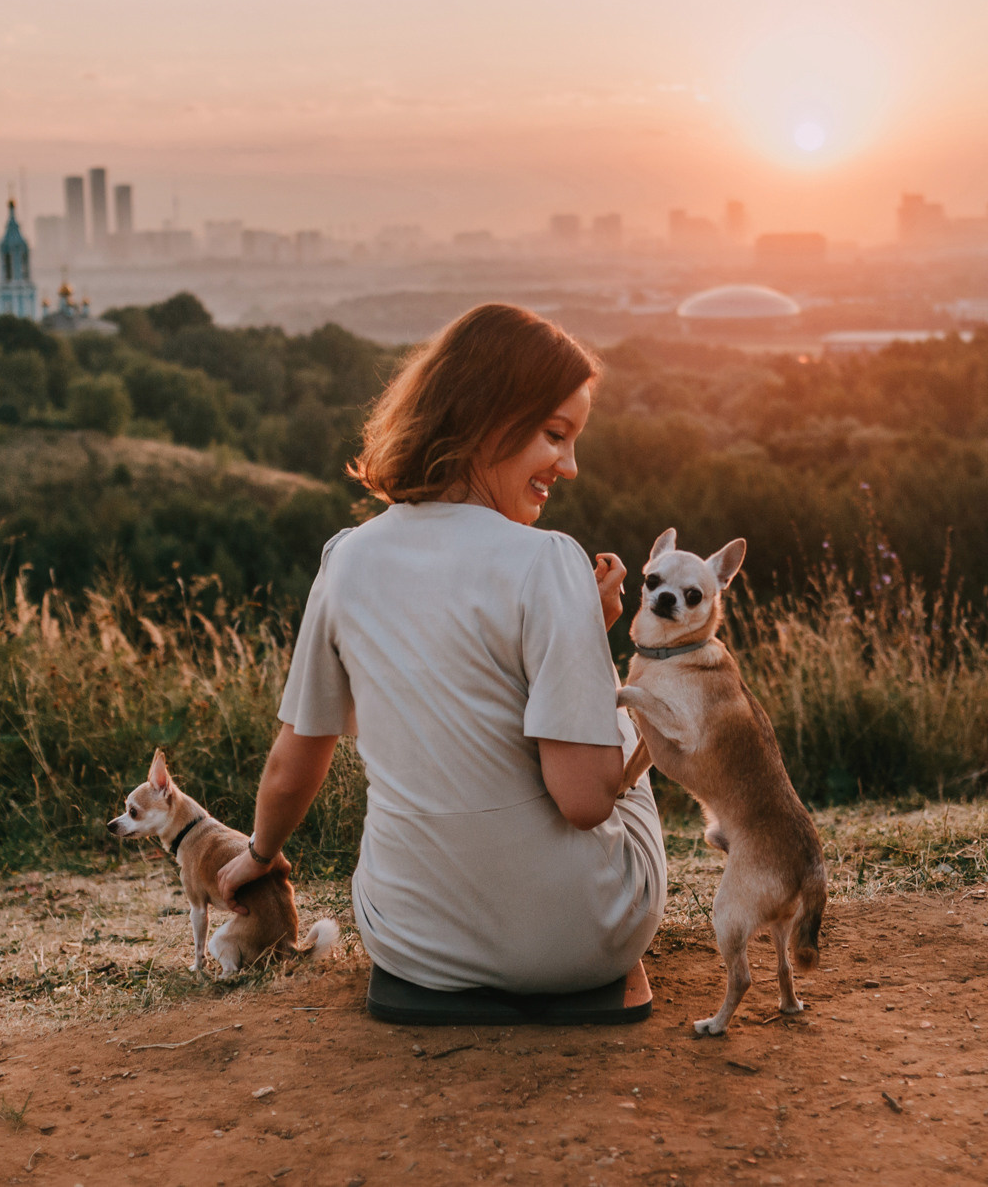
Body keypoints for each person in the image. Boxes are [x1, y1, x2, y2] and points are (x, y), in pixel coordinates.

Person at [214, 303, 665, 1002]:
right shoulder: (551, 562)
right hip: (580, 941)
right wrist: (592, 642)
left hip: (412, 940)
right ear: (490, 418)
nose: (569, 465)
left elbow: (294, 759)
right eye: (555, 434)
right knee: (629, 731)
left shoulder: (346, 559)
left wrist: (260, 855)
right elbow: (584, 800)